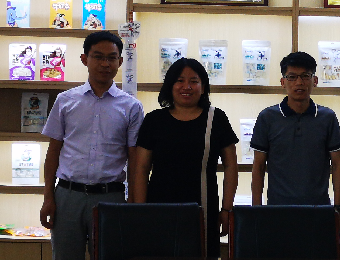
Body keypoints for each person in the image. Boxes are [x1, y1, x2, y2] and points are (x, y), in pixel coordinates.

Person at [40, 31, 144, 260]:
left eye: (111, 58)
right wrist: (48, 197)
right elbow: (53, 152)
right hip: (67, 196)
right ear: (84, 59)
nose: (105, 64)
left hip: (111, 197)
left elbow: (135, 159)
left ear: (120, 61)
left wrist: (134, 202)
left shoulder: (132, 107)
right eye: (98, 57)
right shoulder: (65, 101)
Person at [133, 57, 238, 258]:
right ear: (170, 85)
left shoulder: (216, 118)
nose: (187, 87)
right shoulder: (154, 120)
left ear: (203, 86)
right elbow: (141, 169)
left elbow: (231, 166)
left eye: (194, 81)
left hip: (203, 206)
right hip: (159, 206)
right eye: (180, 80)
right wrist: (140, 211)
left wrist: (226, 209)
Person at [250, 51, 340, 213]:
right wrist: (256, 210)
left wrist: (337, 207)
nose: (299, 82)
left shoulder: (327, 117)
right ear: (283, 82)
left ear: (315, 81)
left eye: (305, 76)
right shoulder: (267, 117)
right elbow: (258, 167)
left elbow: (337, 165)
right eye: (292, 77)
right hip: (277, 209)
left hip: (319, 209)